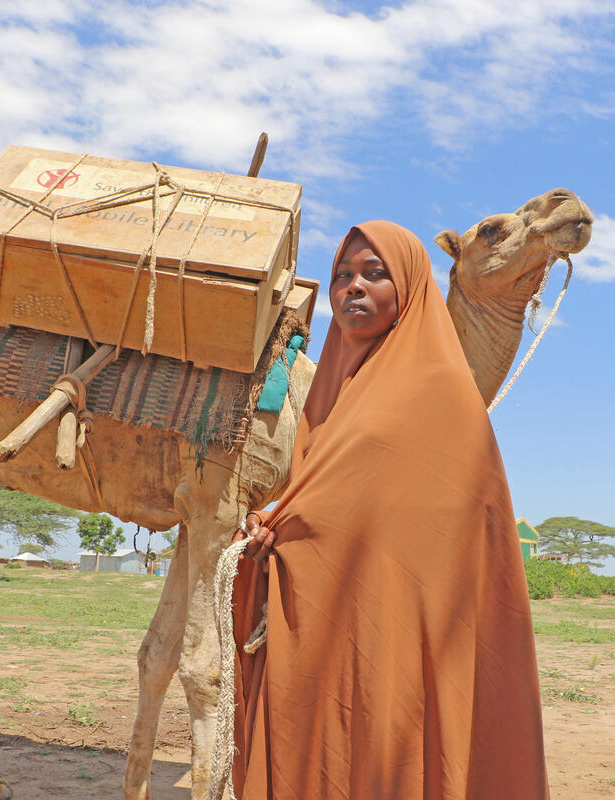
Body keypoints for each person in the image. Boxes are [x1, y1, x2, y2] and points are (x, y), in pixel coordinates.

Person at [229, 220, 549, 799]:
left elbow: (438, 522)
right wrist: (273, 525)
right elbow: (329, 496)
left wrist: (296, 523)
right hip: (329, 623)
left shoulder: (440, 387)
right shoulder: (331, 391)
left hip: (405, 624)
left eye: (375, 275)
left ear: (410, 289)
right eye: (343, 277)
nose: (355, 287)